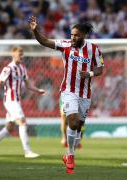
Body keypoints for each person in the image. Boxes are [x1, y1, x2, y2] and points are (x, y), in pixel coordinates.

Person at [29, 16, 104, 174]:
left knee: (79, 126)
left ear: (84, 35)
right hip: (68, 91)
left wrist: (90, 73)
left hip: (85, 93)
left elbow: (100, 69)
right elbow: (44, 41)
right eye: (71, 34)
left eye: (76, 35)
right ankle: (70, 155)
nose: (73, 37)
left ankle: (70, 153)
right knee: (73, 122)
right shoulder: (65, 45)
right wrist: (36, 31)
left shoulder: (94, 49)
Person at [0, 46, 45, 158]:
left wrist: (38, 90)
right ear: (13, 55)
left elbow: (28, 84)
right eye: (20, 54)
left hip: (16, 100)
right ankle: (27, 151)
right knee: (22, 122)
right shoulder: (8, 69)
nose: (22, 56)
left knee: (9, 127)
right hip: (10, 100)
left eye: (23, 54)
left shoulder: (22, 68)